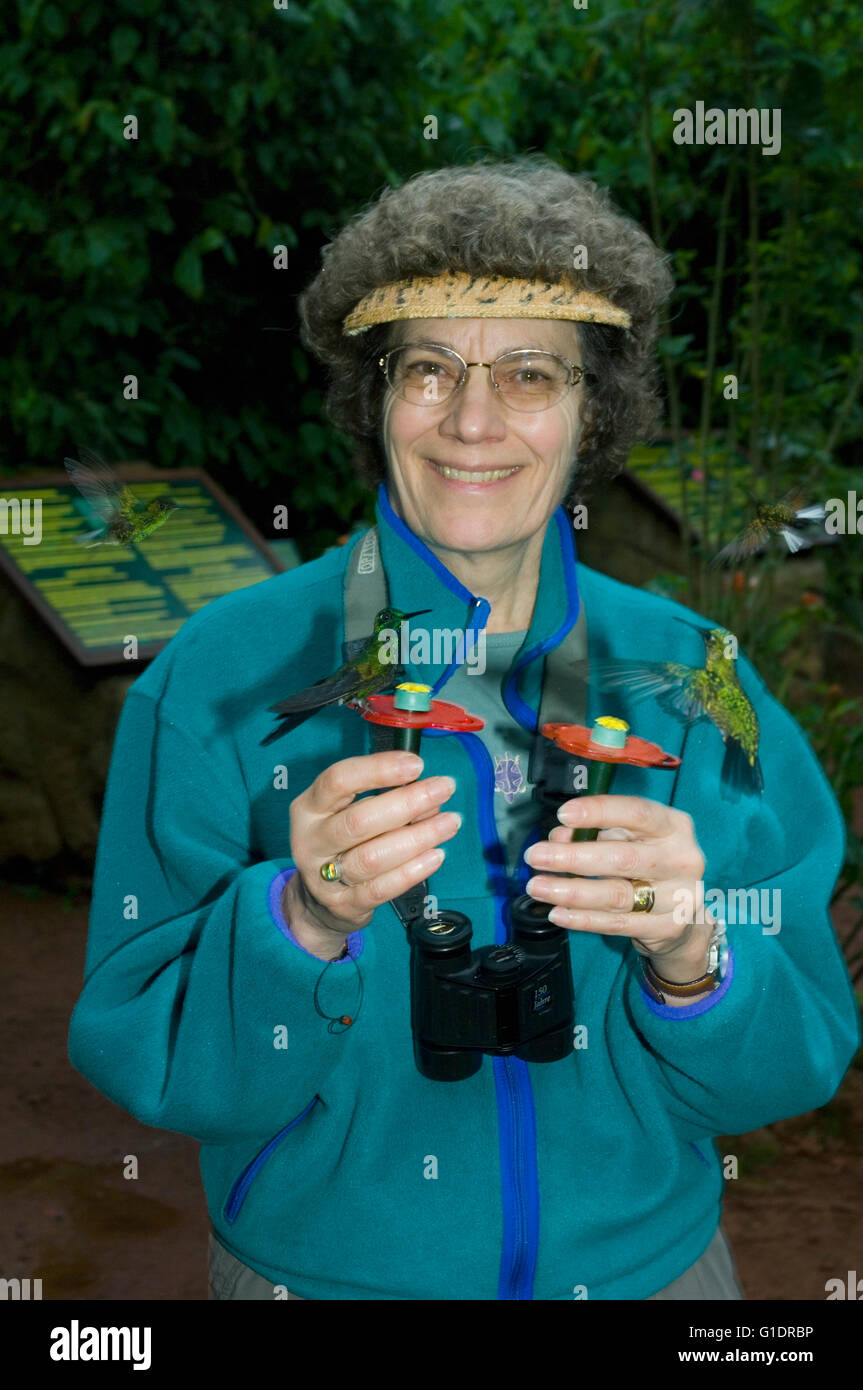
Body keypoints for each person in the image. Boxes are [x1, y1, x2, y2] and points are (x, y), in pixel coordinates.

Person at [68, 157, 861, 1301]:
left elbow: (790, 1064)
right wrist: (294, 922)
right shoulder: (220, 679)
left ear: (593, 410)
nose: (473, 421)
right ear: (374, 395)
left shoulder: (693, 679)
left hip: (653, 1280)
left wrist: (695, 960)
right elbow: (155, 1061)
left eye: (530, 374)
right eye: (429, 369)